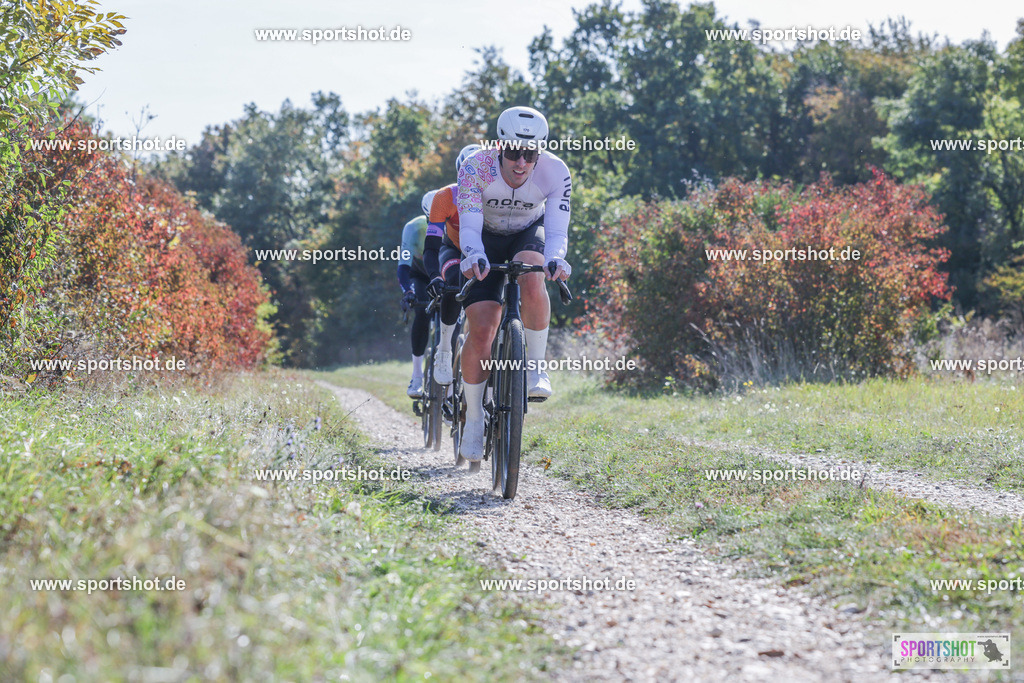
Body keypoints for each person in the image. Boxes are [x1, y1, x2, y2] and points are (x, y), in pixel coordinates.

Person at [455, 106, 572, 461]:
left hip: (526, 233)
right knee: (482, 329)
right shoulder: (475, 167)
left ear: (540, 153)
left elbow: (555, 232)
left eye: (530, 154)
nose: (521, 162)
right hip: (485, 238)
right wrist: (473, 255)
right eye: (513, 153)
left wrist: (557, 258)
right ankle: (474, 419)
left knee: (534, 270)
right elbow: (470, 229)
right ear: (499, 146)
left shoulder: (556, 171)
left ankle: (536, 366)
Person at [422, 144, 481, 385]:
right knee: (455, 280)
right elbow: (431, 248)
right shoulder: (446, 197)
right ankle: (444, 349)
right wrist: (435, 275)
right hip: (453, 249)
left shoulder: (499, 197)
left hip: (486, 252)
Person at [397, 190, 437, 397]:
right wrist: (408, 291)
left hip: (446, 271)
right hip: (420, 274)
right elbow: (403, 266)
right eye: (432, 218)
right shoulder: (413, 228)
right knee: (422, 312)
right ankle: (417, 375)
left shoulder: (457, 220)